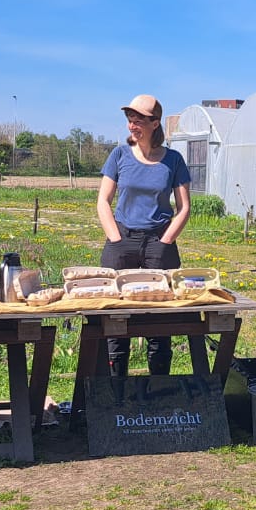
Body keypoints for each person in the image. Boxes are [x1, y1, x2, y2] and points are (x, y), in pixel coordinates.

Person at [96, 93, 191, 376]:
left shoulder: (173, 160)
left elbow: (184, 207)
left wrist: (166, 241)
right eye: (129, 119)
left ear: (155, 123)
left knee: (160, 319)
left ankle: (157, 390)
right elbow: (103, 201)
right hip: (122, 239)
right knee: (114, 315)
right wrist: (115, 238)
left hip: (158, 242)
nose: (131, 125)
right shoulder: (119, 155)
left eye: (138, 120)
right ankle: (115, 390)